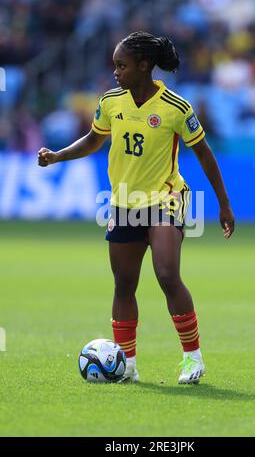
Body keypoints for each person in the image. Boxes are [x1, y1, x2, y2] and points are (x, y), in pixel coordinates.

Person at [38, 31, 235, 384]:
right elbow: (94, 139)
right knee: (124, 284)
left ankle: (193, 358)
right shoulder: (112, 102)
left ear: (144, 66)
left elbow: (204, 154)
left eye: (121, 65)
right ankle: (126, 363)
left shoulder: (176, 108)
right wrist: (57, 156)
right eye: (115, 65)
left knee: (166, 275)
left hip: (165, 201)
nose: (115, 72)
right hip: (124, 203)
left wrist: (223, 204)